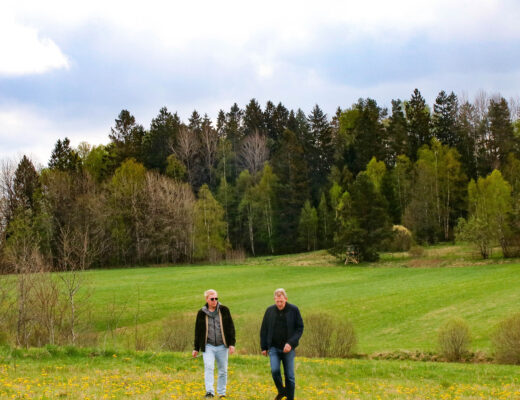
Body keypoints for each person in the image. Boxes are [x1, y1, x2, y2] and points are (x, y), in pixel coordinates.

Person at [260, 288, 304, 400]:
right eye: (277, 301)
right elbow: (264, 329)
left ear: (286, 299)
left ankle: (290, 398)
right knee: (274, 371)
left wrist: (290, 343)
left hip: (288, 349)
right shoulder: (269, 311)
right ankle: (282, 391)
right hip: (274, 348)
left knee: (289, 376)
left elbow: (300, 328)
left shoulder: (294, 310)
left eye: (281, 301)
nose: (279, 304)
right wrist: (264, 347)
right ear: (274, 299)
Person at [193, 289, 236, 398]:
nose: (214, 301)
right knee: (209, 367)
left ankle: (222, 393)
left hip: (222, 345)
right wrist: (196, 348)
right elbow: (197, 331)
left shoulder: (224, 310)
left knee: (223, 370)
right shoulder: (201, 313)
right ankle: (210, 392)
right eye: (212, 299)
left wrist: (232, 344)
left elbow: (231, 327)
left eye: (216, 298)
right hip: (208, 346)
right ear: (207, 299)